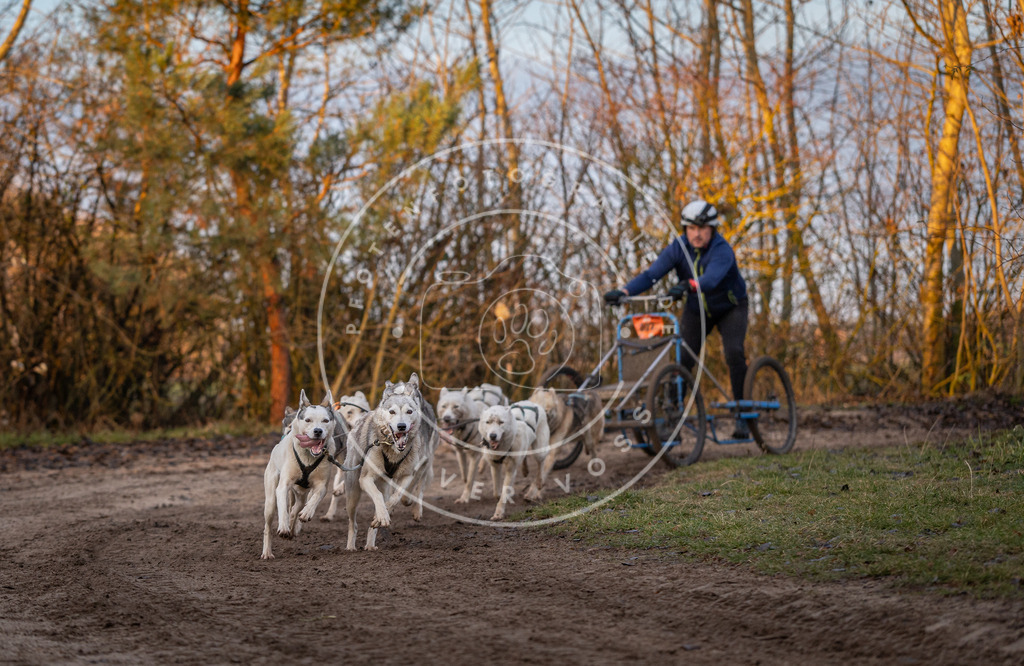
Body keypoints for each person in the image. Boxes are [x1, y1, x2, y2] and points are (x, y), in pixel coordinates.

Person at [603, 199, 751, 438]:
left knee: (733, 352)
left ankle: (743, 414)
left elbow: (711, 279)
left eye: (702, 228)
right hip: (697, 309)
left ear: (712, 229)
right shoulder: (678, 248)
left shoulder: (722, 249)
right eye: (691, 228)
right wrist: (625, 292)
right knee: (682, 359)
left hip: (730, 307)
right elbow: (652, 274)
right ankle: (672, 417)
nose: (697, 234)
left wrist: (689, 284)